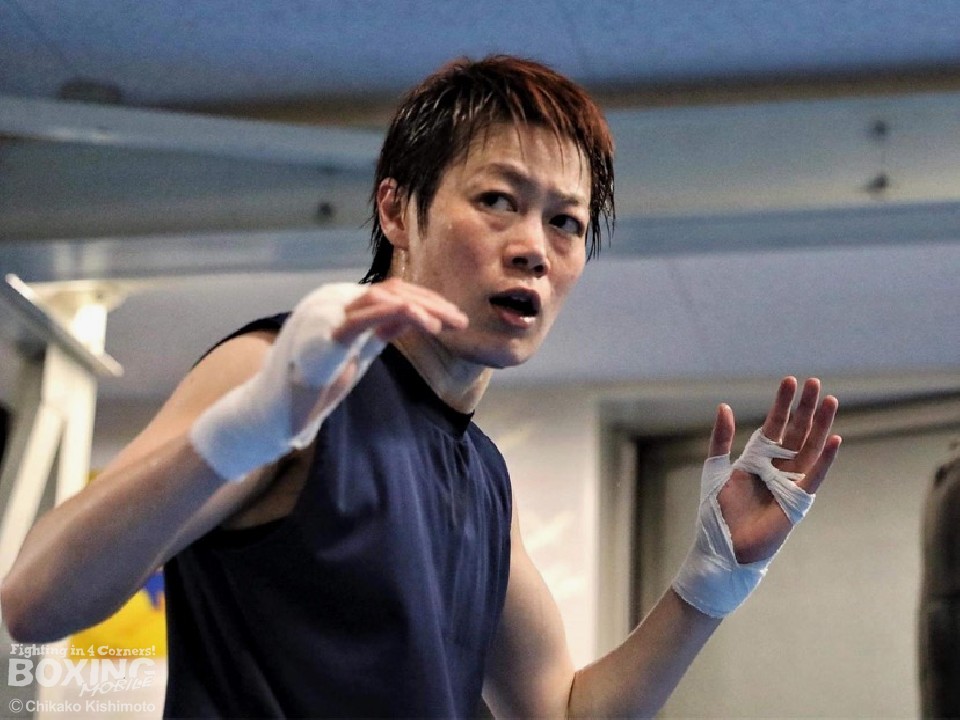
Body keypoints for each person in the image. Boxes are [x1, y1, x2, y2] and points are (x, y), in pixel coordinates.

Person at [1, 55, 841, 718]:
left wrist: (710, 582)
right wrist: (243, 431)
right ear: (397, 213)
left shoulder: (482, 476)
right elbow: (34, 601)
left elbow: (560, 710)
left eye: (566, 222)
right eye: (498, 200)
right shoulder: (281, 376)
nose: (533, 247)